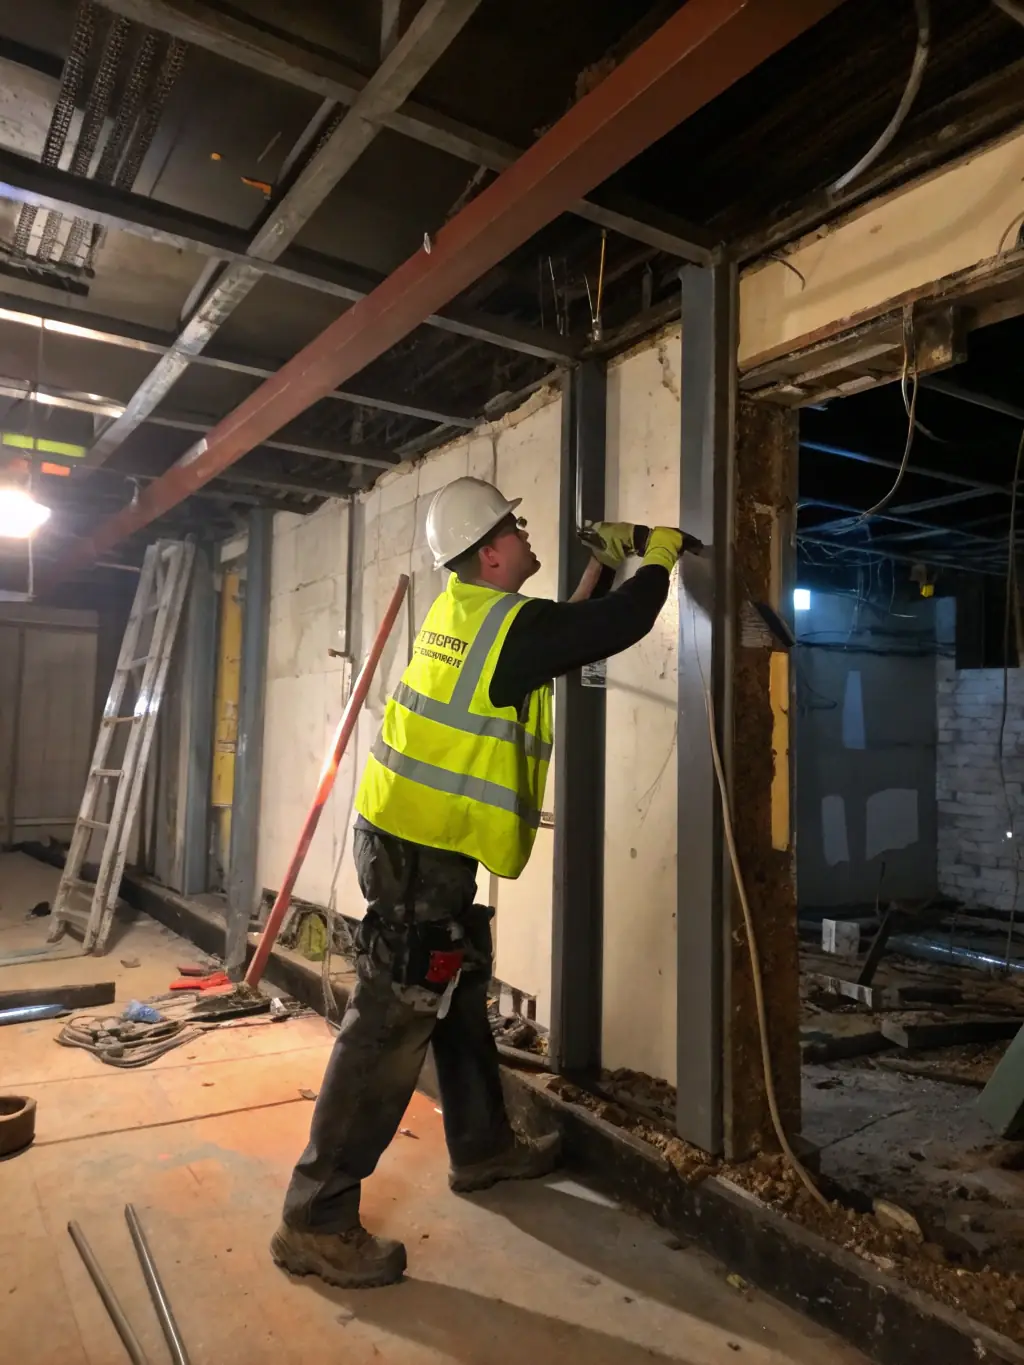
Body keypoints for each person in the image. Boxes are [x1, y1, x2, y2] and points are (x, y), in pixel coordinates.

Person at [271, 476, 696, 1289]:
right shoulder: (507, 627)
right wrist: (658, 560)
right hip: (418, 857)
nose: (528, 534)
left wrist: (599, 566)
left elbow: (556, 635)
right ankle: (315, 1217)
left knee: (456, 984)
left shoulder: (466, 615)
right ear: (492, 552)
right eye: (516, 526)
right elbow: (605, 629)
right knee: (389, 1026)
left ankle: (483, 1146)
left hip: (414, 844)